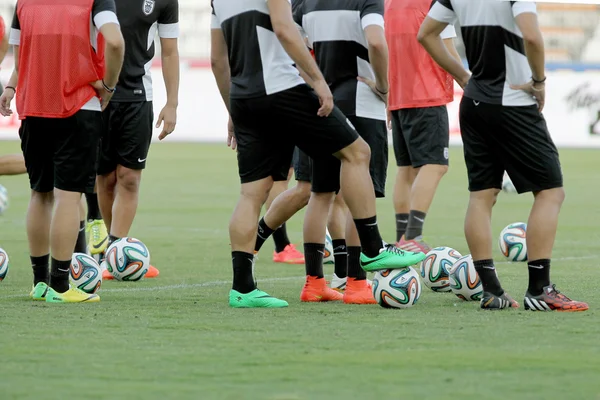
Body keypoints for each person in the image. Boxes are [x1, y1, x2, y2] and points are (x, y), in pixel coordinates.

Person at [211, 0, 425, 308]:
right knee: (357, 153)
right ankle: (373, 249)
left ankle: (243, 288)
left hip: (245, 96)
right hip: (283, 89)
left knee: (253, 193)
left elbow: (218, 60)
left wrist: (233, 107)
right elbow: (285, 31)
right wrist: (319, 82)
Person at [419, 0, 588, 311]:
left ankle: (492, 291)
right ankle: (540, 289)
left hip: (473, 103)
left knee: (482, 196)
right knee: (550, 192)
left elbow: (426, 34)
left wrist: (462, 75)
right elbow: (533, 37)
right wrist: (539, 81)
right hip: (512, 102)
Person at [0, 0, 124, 303]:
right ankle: (59, 285)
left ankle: (39, 282)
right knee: (68, 196)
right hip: (77, 107)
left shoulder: (25, 3)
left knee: (39, 193)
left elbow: (20, 59)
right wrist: (108, 86)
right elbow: (117, 43)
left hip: (33, 106)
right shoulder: (95, 1)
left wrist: (11, 89)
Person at [96, 0, 180, 280]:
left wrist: (172, 103)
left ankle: (114, 251)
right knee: (105, 179)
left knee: (129, 178)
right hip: (97, 96)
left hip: (137, 99)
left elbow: (169, 52)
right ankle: (114, 252)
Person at [385, 0, 460, 252]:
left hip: (397, 96)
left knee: (406, 170)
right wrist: (467, 80)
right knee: (435, 165)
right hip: (426, 94)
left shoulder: (389, 3)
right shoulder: (433, 3)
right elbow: (448, 50)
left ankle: (401, 239)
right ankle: (413, 236)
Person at [253, 147, 352, 293]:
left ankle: (342, 275)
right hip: (315, 126)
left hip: (341, 127)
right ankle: (252, 246)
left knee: (338, 188)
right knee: (307, 189)